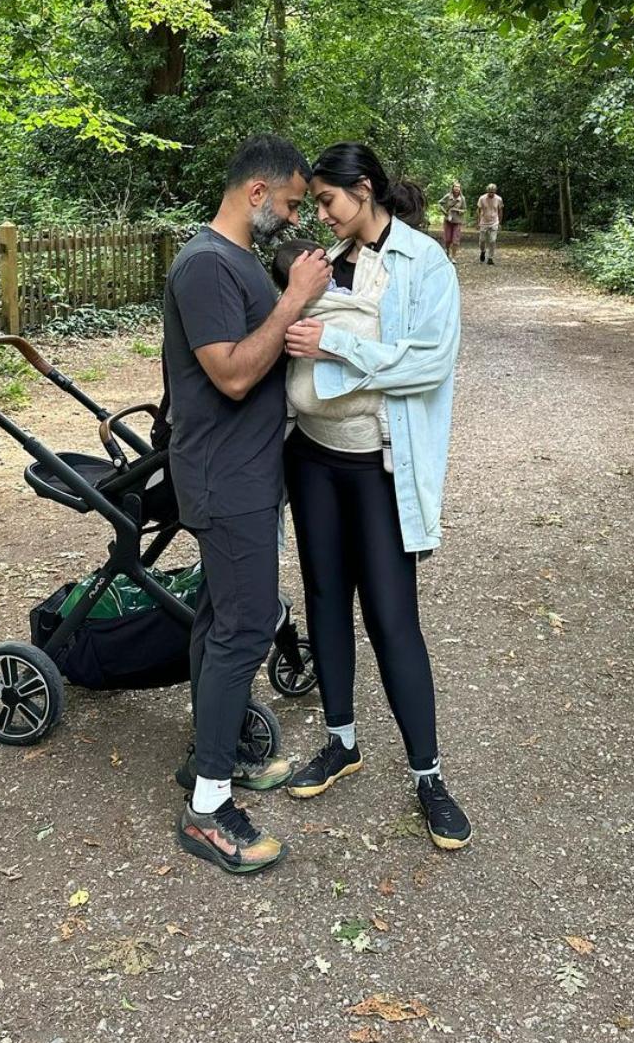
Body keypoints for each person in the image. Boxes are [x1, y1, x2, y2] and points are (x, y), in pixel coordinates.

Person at [281, 142, 472, 850]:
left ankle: (429, 775)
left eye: (328, 201)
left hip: (378, 464)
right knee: (325, 598)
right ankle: (341, 741)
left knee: (393, 618)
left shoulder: (427, 264)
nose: (322, 214)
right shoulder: (321, 265)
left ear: (364, 191)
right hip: (310, 455)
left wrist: (339, 348)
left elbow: (429, 363)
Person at [163, 135, 331, 874]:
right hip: (224, 478)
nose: (294, 218)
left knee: (216, 620)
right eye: (292, 203)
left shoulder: (232, 262)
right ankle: (206, 810)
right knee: (243, 629)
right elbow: (231, 375)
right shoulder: (204, 263)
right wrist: (293, 300)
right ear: (256, 193)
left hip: (247, 473)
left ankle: (216, 756)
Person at [271, 238, 391, 471]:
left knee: (290, 380)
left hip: (304, 401)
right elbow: (361, 310)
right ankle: (388, 439)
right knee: (384, 400)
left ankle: (289, 416)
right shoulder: (334, 290)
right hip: (348, 423)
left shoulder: (286, 304)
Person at [438, 180, 467, 261]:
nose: (457, 189)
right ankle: (447, 252)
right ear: (453, 188)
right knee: (447, 239)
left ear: (460, 189)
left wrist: (458, 211)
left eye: (458, 187)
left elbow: (464, 209)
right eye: (455, 187)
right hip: (448, 220)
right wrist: (444, 211)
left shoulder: (462, 199)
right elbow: (439, 203)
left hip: (457, 221)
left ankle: (453, 257)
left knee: (455, 240)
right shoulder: (448, 196)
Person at [477, 183, 503, 265]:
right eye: (490, 192)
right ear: (487, 191)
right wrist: (478, 221)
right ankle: (483, 251)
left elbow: (500, 210)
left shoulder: (499, 199)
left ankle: (490, 258)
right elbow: (478, 210)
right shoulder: (482, 198)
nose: (491, 193)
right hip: (484, 222)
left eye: (493, 192)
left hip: (494, 222)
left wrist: (500, 222)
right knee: (482, 240)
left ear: (495, 191)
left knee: (492, 240)